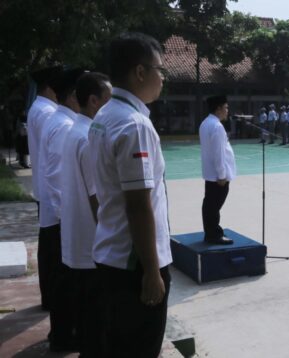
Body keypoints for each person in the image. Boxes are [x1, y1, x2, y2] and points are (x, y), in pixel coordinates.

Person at [88, 32, 171, 357]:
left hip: (111, 253)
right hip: (134, 264)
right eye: (159, 70)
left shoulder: (104, 116)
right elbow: (138, 206)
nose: (162, 78)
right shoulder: (134, 125)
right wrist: (152, 271)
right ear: (139, 72)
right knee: (139, 347)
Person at [59, 72, 112, 357]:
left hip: (76, 240)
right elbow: (97, 199)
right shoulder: (89, 137)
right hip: (92, 244)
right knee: (96, 323)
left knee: (85, 318)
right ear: (93, 101)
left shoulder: (74, 131)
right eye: (108, 100)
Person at [40, 67, 86, 352]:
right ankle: (63, 334)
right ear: (72, 97)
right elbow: (57, 178)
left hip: (60, 217)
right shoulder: (65, 126)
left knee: (63, 280)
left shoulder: (60, 121)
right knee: (66, 281)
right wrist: (68, 219)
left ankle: (62, 331)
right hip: (62, 220)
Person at [27, 65, 61, 311]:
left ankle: (48, 296)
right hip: (51, 193)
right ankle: (52, 298)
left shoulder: (37, 108)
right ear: (50, 88)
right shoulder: (49, 112)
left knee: (47, 248)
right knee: (53, 251)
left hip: (43, 188)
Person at [200, 95, 236, 245]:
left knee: (210, 204)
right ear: (219, 108)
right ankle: (213, 234)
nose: (227, 111)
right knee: (213, 206)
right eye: (226, 107)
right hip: (218, 176)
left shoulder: (206, 123)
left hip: (211, 173)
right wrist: (222, 174)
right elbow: (218, 153)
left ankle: (212, 231)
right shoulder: (217, 126)